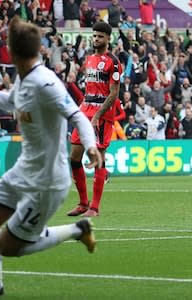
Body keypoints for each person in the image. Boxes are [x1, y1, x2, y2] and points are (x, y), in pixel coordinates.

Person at [0, 16, 101, 298]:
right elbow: (9, 100)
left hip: (47, 181)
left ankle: (78, 230)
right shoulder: (25, 77)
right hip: (22, 171)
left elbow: (77, 115)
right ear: (38, 50)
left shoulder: (46, 84)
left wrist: (90, 146)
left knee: (7, 247)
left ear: (11, 53)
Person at [67, 22, 121, 218]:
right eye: (95, 36)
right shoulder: (89, 59)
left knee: (98, 157)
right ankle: (83, 203)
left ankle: (94, 208)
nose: (96, 39)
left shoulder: (113, 62)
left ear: (108, 39)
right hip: (85, 109)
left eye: (100, 36)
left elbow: (114, 94)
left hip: (102, 113)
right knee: (74, 157)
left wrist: (98, 115)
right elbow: (90, 89)